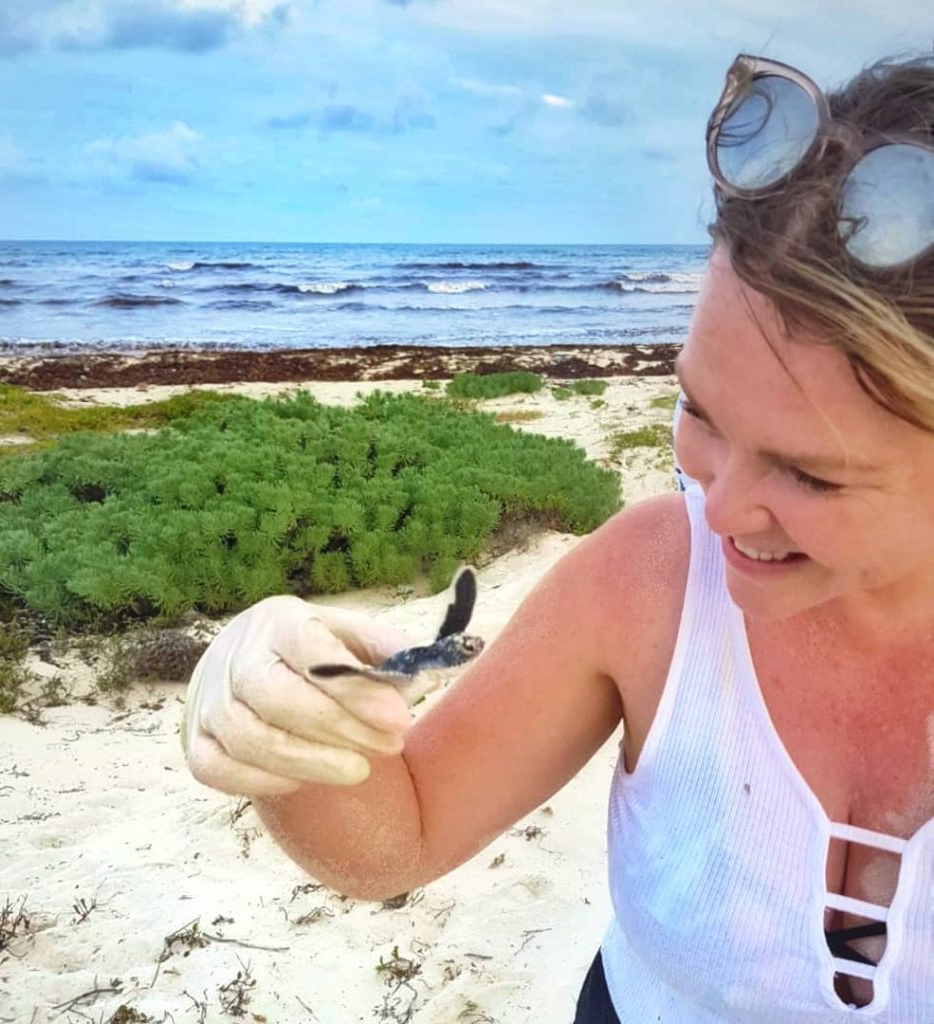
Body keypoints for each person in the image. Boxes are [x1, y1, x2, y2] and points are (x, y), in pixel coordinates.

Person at [182, 51, 934, 1022]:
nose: (719, 507)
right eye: (699, 409)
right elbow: (400, 832)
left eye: (807, 471)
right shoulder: (651, 579)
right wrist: (281, 720)